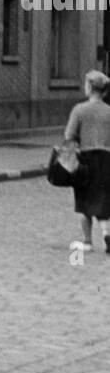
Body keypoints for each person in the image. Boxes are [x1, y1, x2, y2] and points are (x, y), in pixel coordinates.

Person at [64, 69, 110, 253]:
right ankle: (107, 233)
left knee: (84, 201)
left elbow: (69, 135)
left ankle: (88, 241)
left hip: (86, 159)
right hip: (107, 159)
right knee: (103, 200)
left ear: (90, 87)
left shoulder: (80, 110)